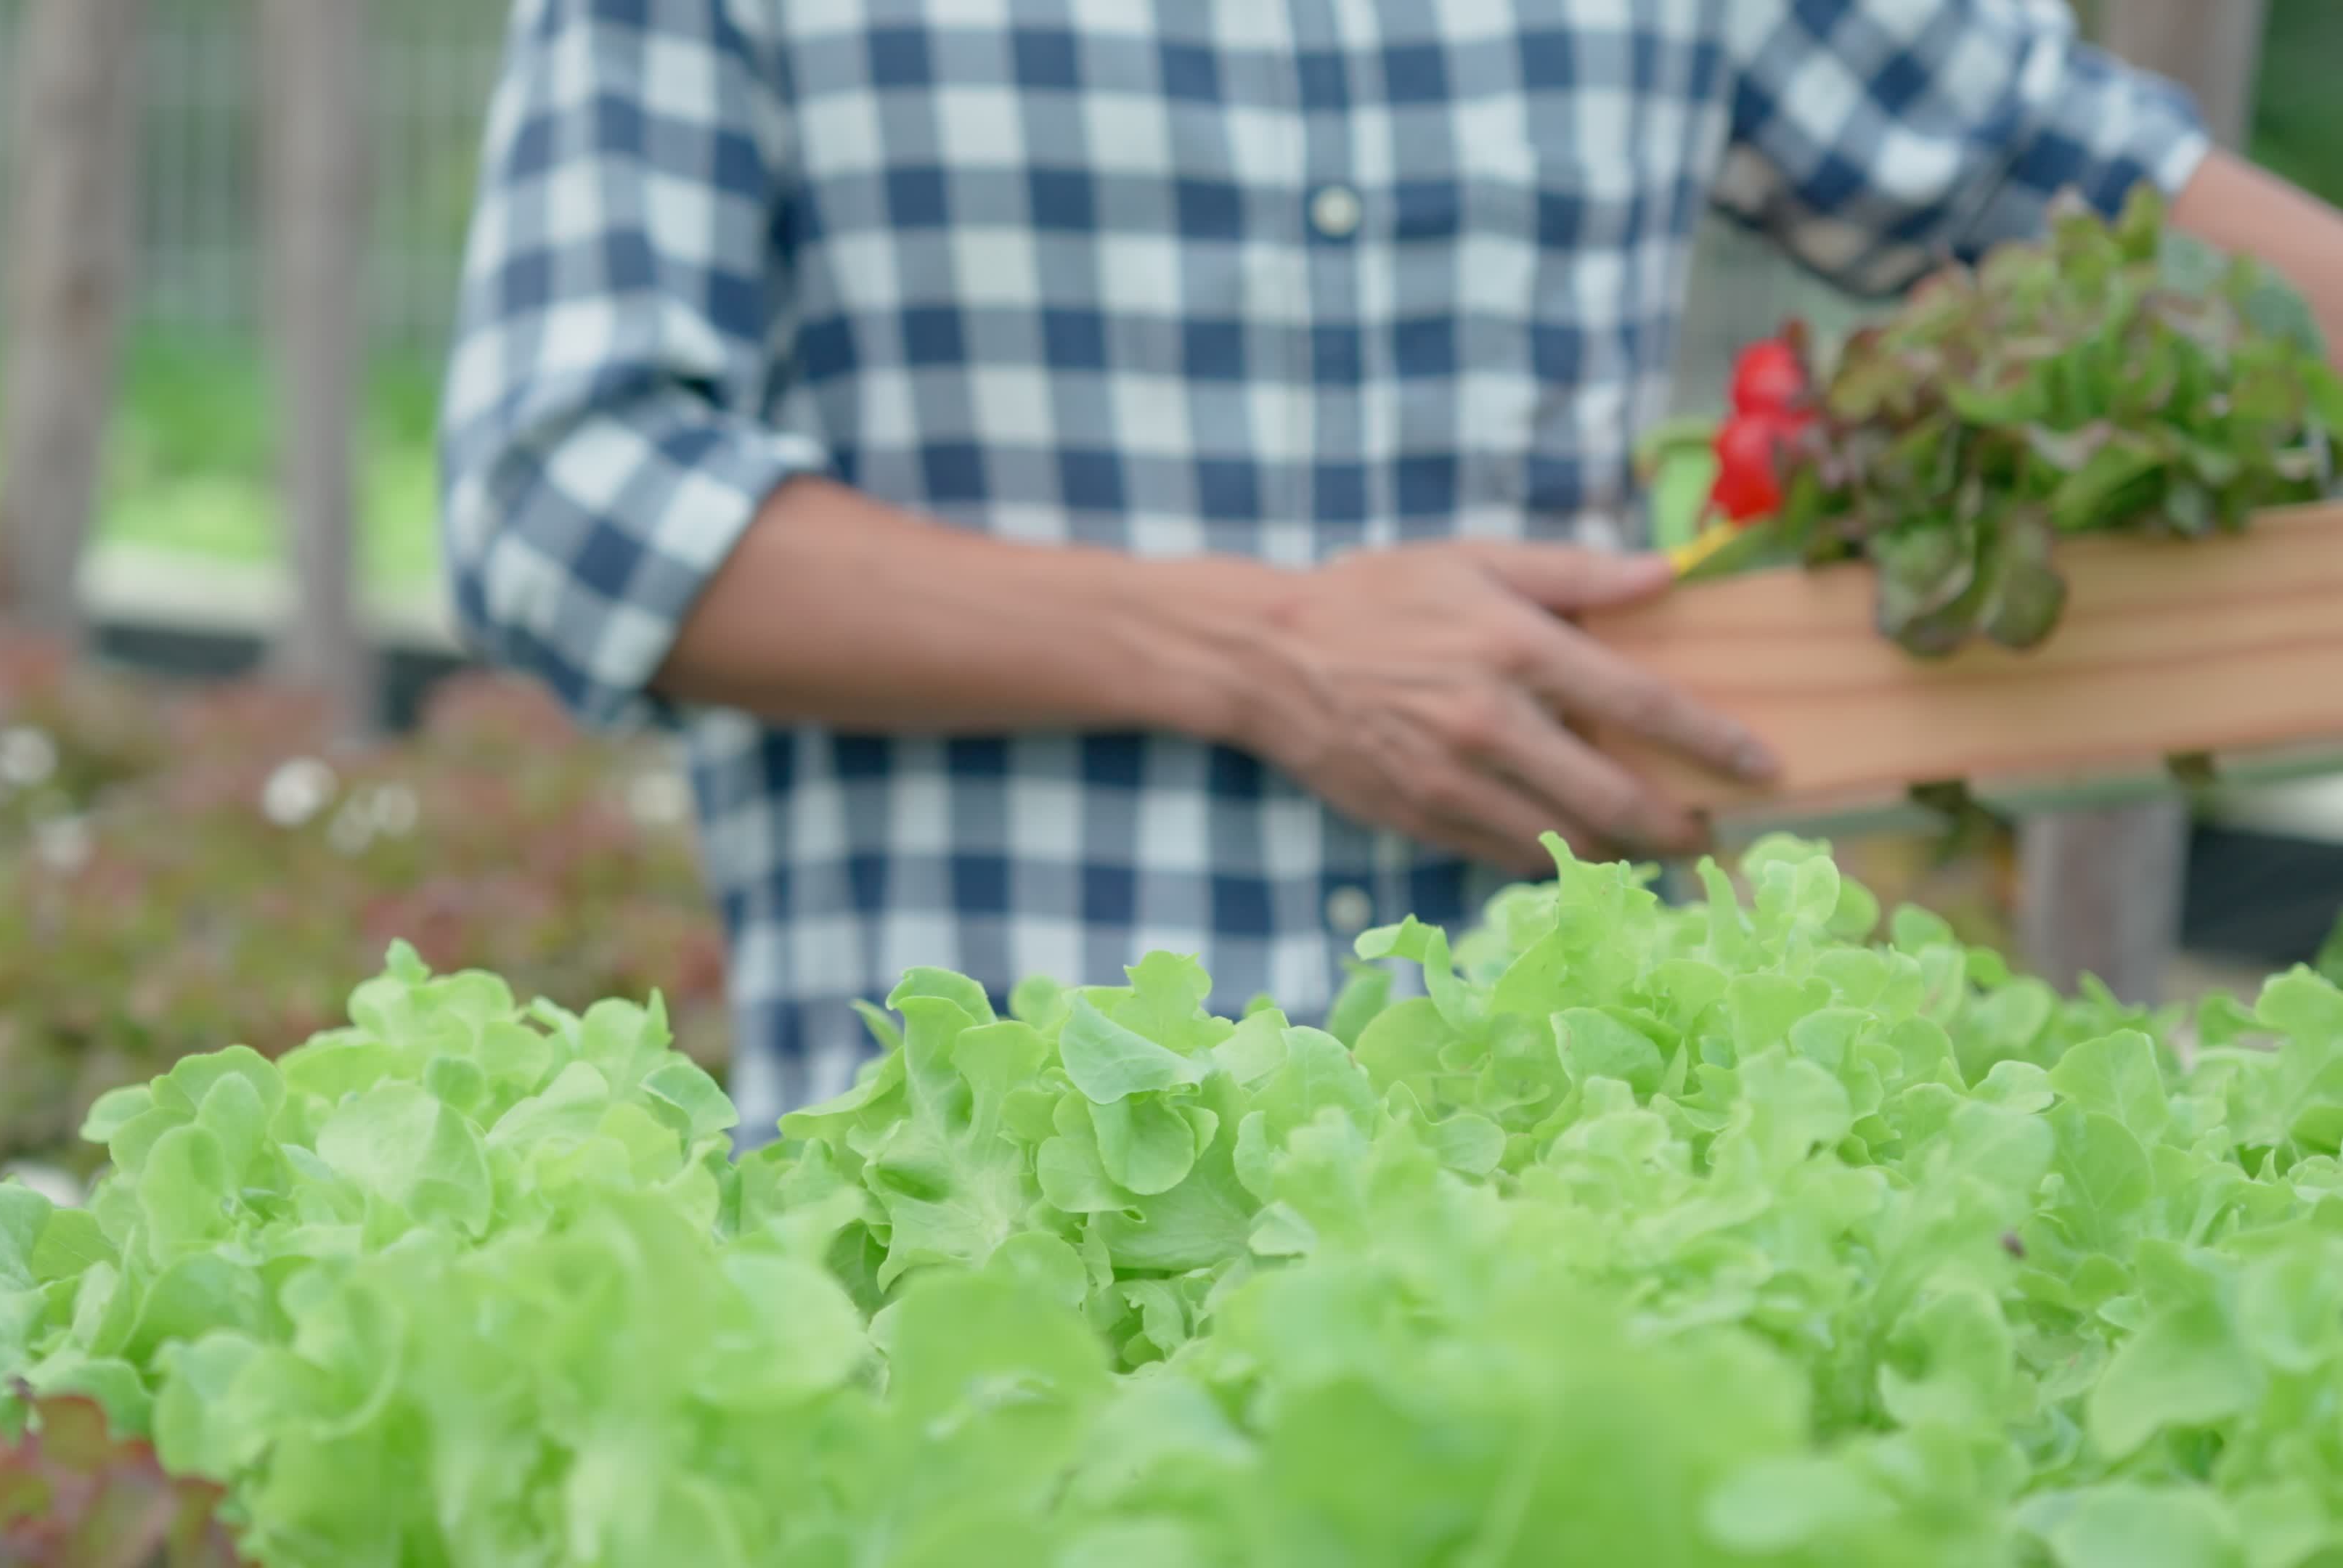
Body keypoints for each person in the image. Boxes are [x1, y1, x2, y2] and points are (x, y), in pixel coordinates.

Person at [441, 0, 2343, 1136]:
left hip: (1570, 1180)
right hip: (971, 1212)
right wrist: (1256, 652)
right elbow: (566, 487)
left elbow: (2101, 193)